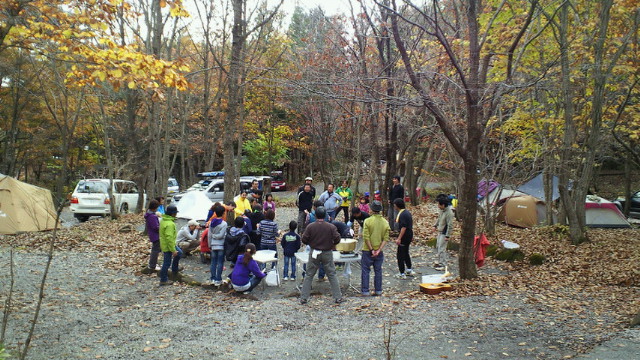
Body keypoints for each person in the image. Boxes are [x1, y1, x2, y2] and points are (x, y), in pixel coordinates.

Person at [299, 207, 344, 305]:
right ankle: (338, 297)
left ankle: (304, 298)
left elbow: (304, 239)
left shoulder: (310, 227)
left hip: (314, 252)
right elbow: (337, 238)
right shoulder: (331, 227)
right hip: (327, 252)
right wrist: (332, 244)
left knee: (309, 274)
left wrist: (311, 243)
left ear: (315, 216)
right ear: (325, 215)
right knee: (332, 274)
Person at [361, 200, 389, 296]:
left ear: (371, 209)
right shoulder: (385, 222)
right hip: (379, 250)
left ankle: (365, 291)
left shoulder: (367, 221)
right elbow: (385, 238)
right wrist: (379, 250)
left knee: (365, 270)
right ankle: (378, 290)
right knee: (378, 270)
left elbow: (366, 237)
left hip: (367, 250)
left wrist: (371, 249)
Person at [159, 205, 182, 285]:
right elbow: (169, 238)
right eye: (175, 213)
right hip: (168, 245)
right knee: (166, 263)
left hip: (167, 244)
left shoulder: (164, 220)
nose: (176, 214)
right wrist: (173, 250)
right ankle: (163, 280)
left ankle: (175, 269)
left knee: (180, 253)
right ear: (172, 214)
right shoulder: (170, 224)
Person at [393, 199, 415, 279]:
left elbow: (403, 227)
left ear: (397, 205)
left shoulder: (402, 214)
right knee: (406, 252)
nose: (394, 206)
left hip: (404, 236)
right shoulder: (407, 212)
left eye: (395, 204)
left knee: (400, 255)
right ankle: (409, 269)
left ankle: (402, 273)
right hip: (409, 235)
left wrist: (399, 238)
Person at [207, 204, 228, 286]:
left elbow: (209, 234)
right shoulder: (224, 224)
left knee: (213, 262)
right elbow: (221, 235)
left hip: (213, 244)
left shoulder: (212, 222)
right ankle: (218, 279)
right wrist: (215, 236)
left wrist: (210, 244)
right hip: (221, 245)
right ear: (223, 213)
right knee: (220, 263)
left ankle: (212, 278)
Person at [433, 195, 454, 271]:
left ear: (443, 205)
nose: (438, 206)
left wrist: (447, 235)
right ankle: (439, 262)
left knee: (442, 249)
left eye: (439, 204)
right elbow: (439, 218)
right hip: (440, 231)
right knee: (438, 246)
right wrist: (435, 225)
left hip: (444, 233)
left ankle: (443, 264)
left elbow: (450, 225)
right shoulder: (442, 210)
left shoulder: (449, 213)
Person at [142, 199, 161, 274]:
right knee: (155, 250)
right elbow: (155, 227)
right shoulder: (152, 216)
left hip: (153, 235)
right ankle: (152, 265)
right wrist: (161, 228)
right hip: (155, 235)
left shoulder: (150, 214)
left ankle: (153, 263)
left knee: (155, 249)